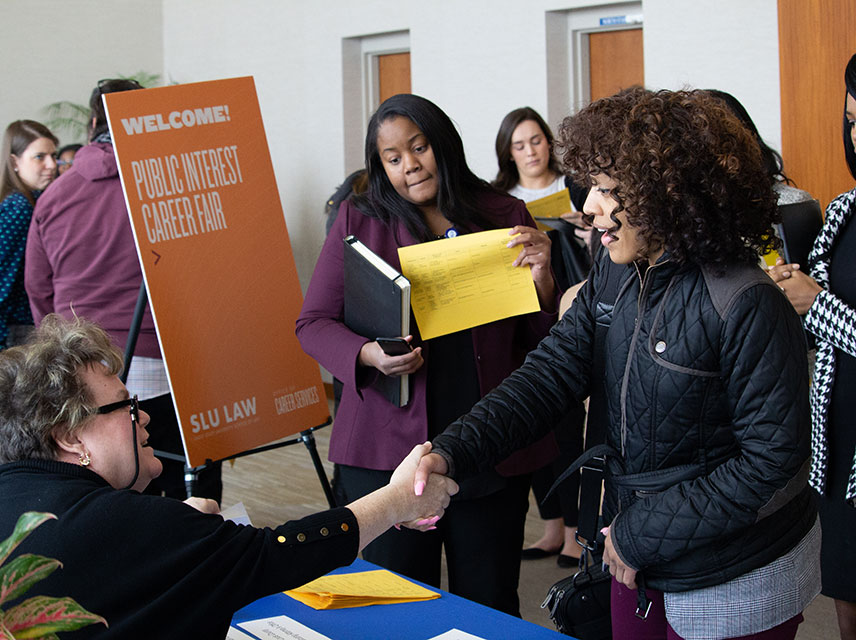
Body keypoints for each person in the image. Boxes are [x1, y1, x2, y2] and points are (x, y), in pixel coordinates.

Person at [415, 87, 819, 640]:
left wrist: (641, 532)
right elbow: (548, 375)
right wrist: (452, 450)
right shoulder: (615, 271)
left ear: (670, 191)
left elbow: (773, 462)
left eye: (607, 190)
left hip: (732, 577)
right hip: (635, 554)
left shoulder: (746, 300)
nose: (588, 208)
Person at [0, 314, 457, 639]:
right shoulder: (118, 521)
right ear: (70, 437)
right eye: (123, 407)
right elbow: (275, 554)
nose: (145, 416)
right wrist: (396, 500)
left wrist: (174, 534)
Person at [296, 93, 560, 616]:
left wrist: (544, 281)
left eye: (419, 148)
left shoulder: (502, 214)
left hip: (488, 444)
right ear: (381, 166)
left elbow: (540, 341)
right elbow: (313, 323)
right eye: (393, 158)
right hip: (384, 452)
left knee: (488, 604)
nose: (409, 165)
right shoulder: (359, 218)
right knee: (393, 606)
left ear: (444, 144)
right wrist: (368, 354)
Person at [25, 79, 221, 501]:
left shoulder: (55, 194)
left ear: (93, 122)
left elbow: (38, 288)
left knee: (107, 491)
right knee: (188, 486)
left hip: (83, 370)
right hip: (170, 362)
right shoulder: (171, 189)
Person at [769, 53, 856, 640]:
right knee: (847, 591)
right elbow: (811, 316)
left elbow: (822, 307)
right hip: (839, 437)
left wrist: (817, 303)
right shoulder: (849, 207)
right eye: (852, 119)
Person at [493, 106, 589, 567]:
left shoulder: (575, 190)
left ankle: (574, 529)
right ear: (508, 154)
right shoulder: (497, 200)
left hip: (567, 309)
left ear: (549, 143)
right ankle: (551, 527)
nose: (530, 150)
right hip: (518, 317)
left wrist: (584, 232)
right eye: (519, 144)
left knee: (567, 425)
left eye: (536, 140)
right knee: (529, 422)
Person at [0, 120, 59, 354]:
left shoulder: (29, 202)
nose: (51, 165)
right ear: (14, 162)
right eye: (39, 157)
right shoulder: (18, 208)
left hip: (22, 330)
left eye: (54, 156)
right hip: (17, 335)